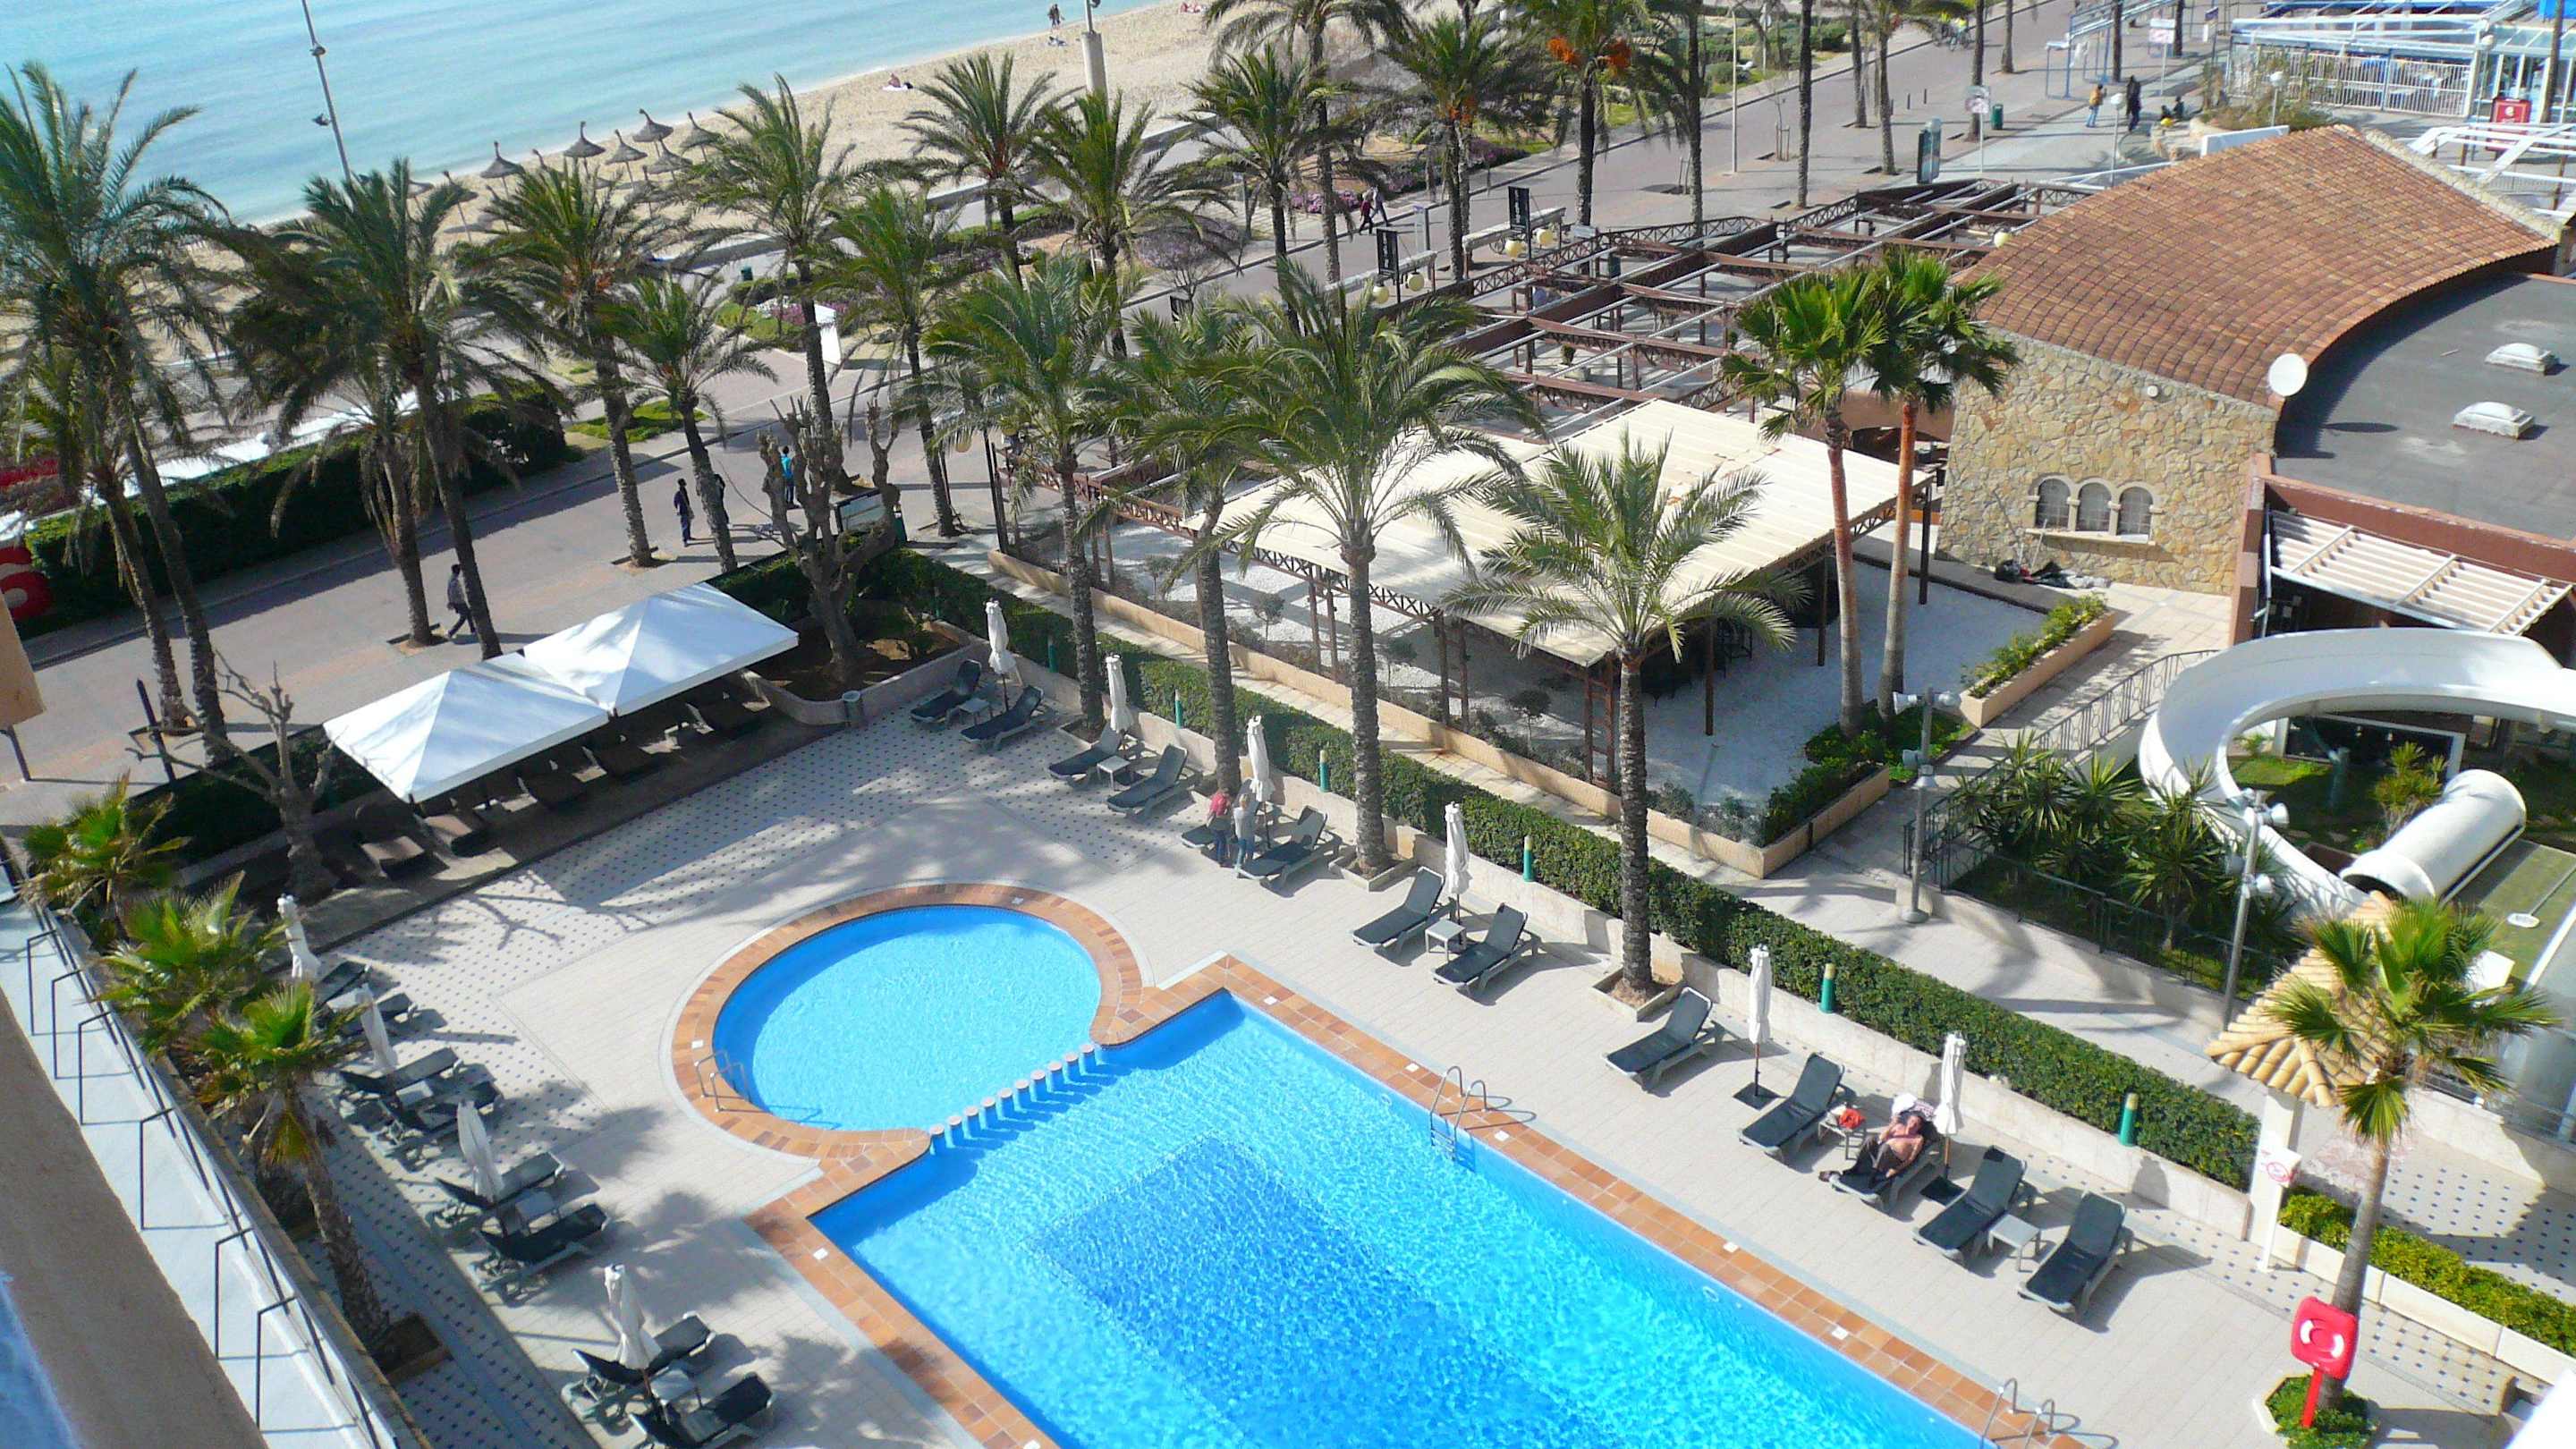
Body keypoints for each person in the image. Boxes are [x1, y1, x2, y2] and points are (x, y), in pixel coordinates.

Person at [1834, 1095, 1936, 1191]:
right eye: (1912, 1121)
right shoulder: (1898, 1126)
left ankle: (1873, 1176)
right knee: (1870, 1138)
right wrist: (1892, 1125)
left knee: (1885, 1147)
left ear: (1919, 1127)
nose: (1913, 1125)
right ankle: (1857, 1166)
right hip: (1881, 1154)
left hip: (1893, 1161)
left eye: (1916, 1124)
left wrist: (1896, 1169)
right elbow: (1881, 1138)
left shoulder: (1918, 1139)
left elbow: (1911, 1159)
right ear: (1908, 1121)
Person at [445, 564, 475, 642]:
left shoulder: (451, 579)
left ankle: (473, 629)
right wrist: (456, 601)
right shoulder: (454, 582)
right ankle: (451, 632)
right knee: (463, 617)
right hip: (459, 602)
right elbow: (453, 593)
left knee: (468, 614)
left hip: (458, 601)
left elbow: (449, 591)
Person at [674, 482, 696, 546]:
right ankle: (685, 540)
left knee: (688, 524)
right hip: (683, 511)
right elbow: (676, 503)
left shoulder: (683, 491)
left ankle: (688, 537)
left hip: (686, 510)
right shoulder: (680, 493)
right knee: (685, 525)